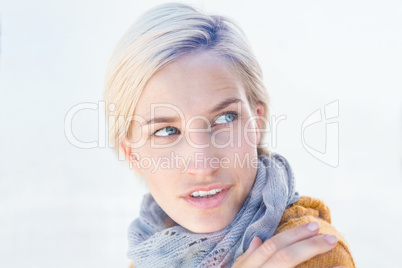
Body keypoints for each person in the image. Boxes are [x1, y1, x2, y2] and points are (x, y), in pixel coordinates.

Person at [103, 3, 356, 267]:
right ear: (131, 154)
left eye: (225, 118)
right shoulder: (150, 257)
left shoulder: (304, 254)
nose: (203, 165)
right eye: (167, 131)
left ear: (257, 121)